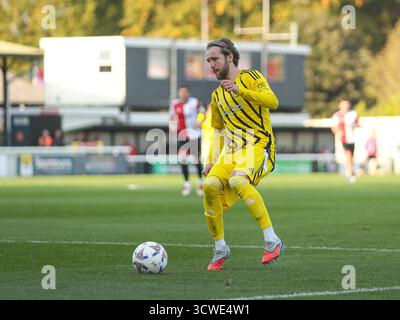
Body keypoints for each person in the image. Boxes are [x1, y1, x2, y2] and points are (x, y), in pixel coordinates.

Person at [203, 38, 283, 271]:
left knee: (238, 180)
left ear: (229, 57)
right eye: (209, 61)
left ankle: (272, 240)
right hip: (231, 151)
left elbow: (273, 101)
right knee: (208, 186)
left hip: (258, 145)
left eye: (215, 59)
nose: (212, 65)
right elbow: (217, 130)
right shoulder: (217, 96)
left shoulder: (252, 77)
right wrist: (210, 159)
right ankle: (220, 248)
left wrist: (241, 90)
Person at [169, 85, 205, 196]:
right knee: (183, 159)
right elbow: (171, 117)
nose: (183, 94)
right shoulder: (174, 103)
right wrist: (172, 128)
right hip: (182, 136)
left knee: (196, 159)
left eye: (185, 92)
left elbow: (203, 113)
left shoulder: (195, 102)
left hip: (194, 135)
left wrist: (199, 122)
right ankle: (187, 183)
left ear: (188, 93)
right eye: (181, 92)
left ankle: (200, 182)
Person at [331, 100, 359, 183]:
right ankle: (349, 173)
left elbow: (358, 123)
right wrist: (338, 132)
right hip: (343, 139)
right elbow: (333, 127)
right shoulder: (336, 115)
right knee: (348, 155)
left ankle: (350, 172)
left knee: (351, 157)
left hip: (352, 139)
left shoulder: (353, 113)